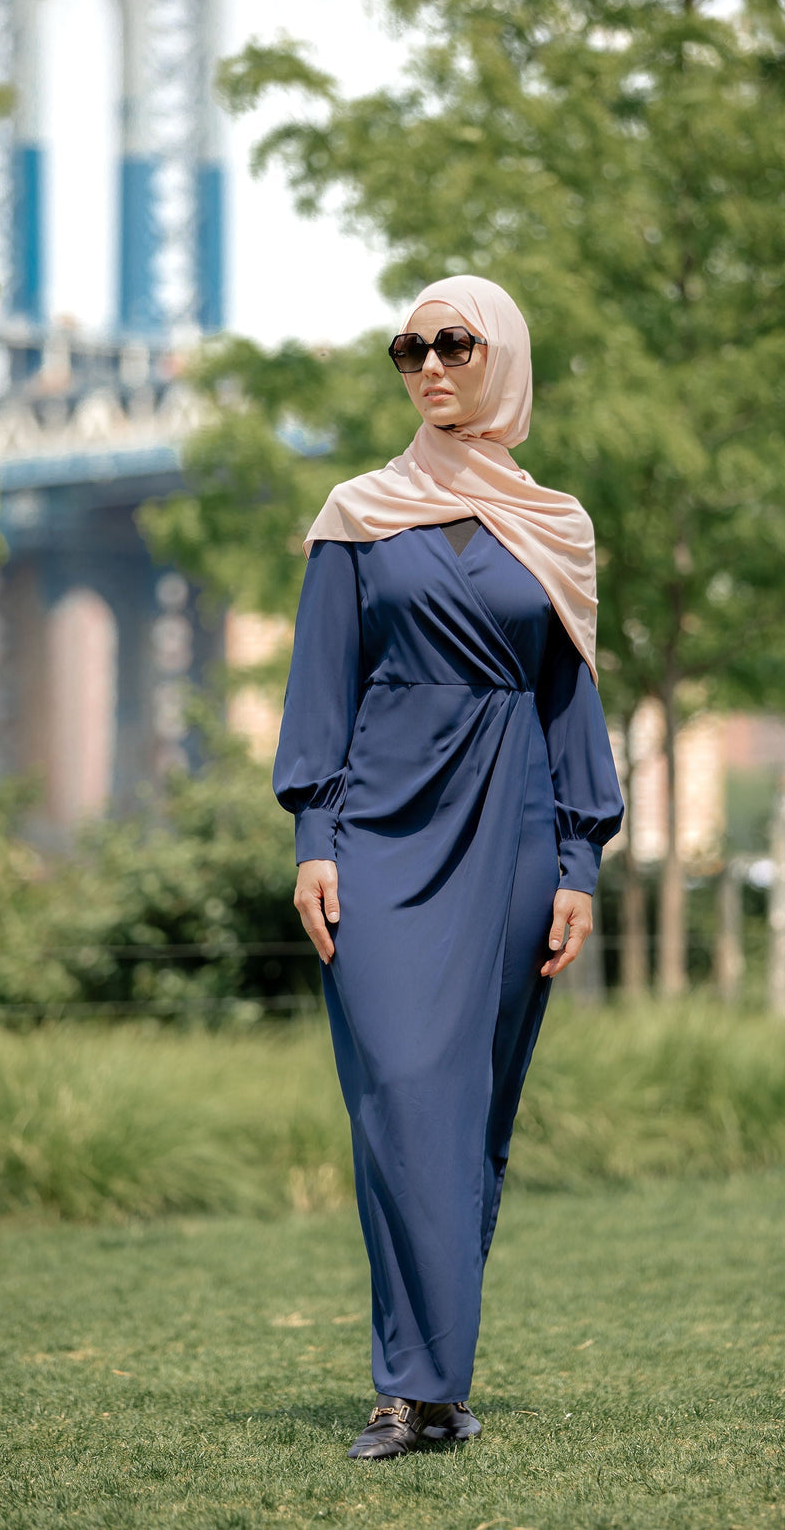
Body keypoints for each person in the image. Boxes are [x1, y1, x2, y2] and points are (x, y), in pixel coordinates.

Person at [271, 274, 624, 1461]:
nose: (428, 366)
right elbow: (320, 685)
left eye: (453, 345)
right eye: (409, 348)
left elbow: (570, 702)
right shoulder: (357, 514)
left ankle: (434, 1387)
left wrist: (579, 858)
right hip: (378, 831)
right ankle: (405, 1386)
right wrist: (314, 839)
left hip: (518, 827)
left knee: (471, 1106)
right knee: (402, 1094)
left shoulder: (558, 528)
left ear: (501, 359)